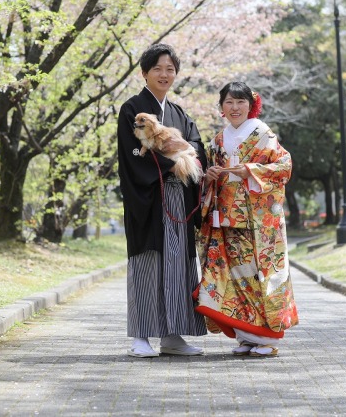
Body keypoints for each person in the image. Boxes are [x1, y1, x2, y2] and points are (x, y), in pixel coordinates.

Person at [117, 43, 208, 358]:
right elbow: (133, 156)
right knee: (148, 264)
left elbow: (196, 144)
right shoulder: (132, 109)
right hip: (149, 198)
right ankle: (141, 336)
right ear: (144, 73)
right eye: (158, 68)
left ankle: (172, 335)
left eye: (170, 69)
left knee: (178, 267)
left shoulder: (179, 112)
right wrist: (173, 160)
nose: (164, 74)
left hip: (179, 197)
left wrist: (186, 149)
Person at [195, 81, 298, 357]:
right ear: (221, 108)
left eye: (240, 102)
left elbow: (284, 166)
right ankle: (247, 336)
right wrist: (210, 176)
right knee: (235, 279)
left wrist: (250, 170)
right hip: (225, 219)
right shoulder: (218, 140)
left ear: (250, 105)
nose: (235, 107)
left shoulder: (263, 134)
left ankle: (268, 338)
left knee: (258, 277)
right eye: (229, 102)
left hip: (258, 221)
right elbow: (207, 177)